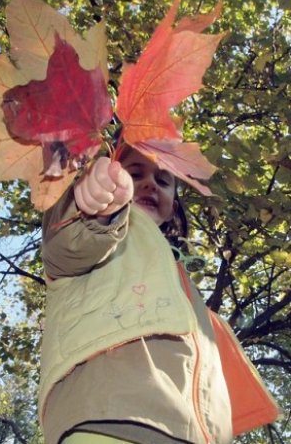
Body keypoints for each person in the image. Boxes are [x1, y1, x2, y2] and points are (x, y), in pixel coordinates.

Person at [39, 146, 279, 444]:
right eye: (134, 173)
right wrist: (94, 204)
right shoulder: (98, 230)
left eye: (164, 181)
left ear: (174, 203)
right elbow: (68, 248)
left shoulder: (177, 279)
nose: (150, 183)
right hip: (108, 419)